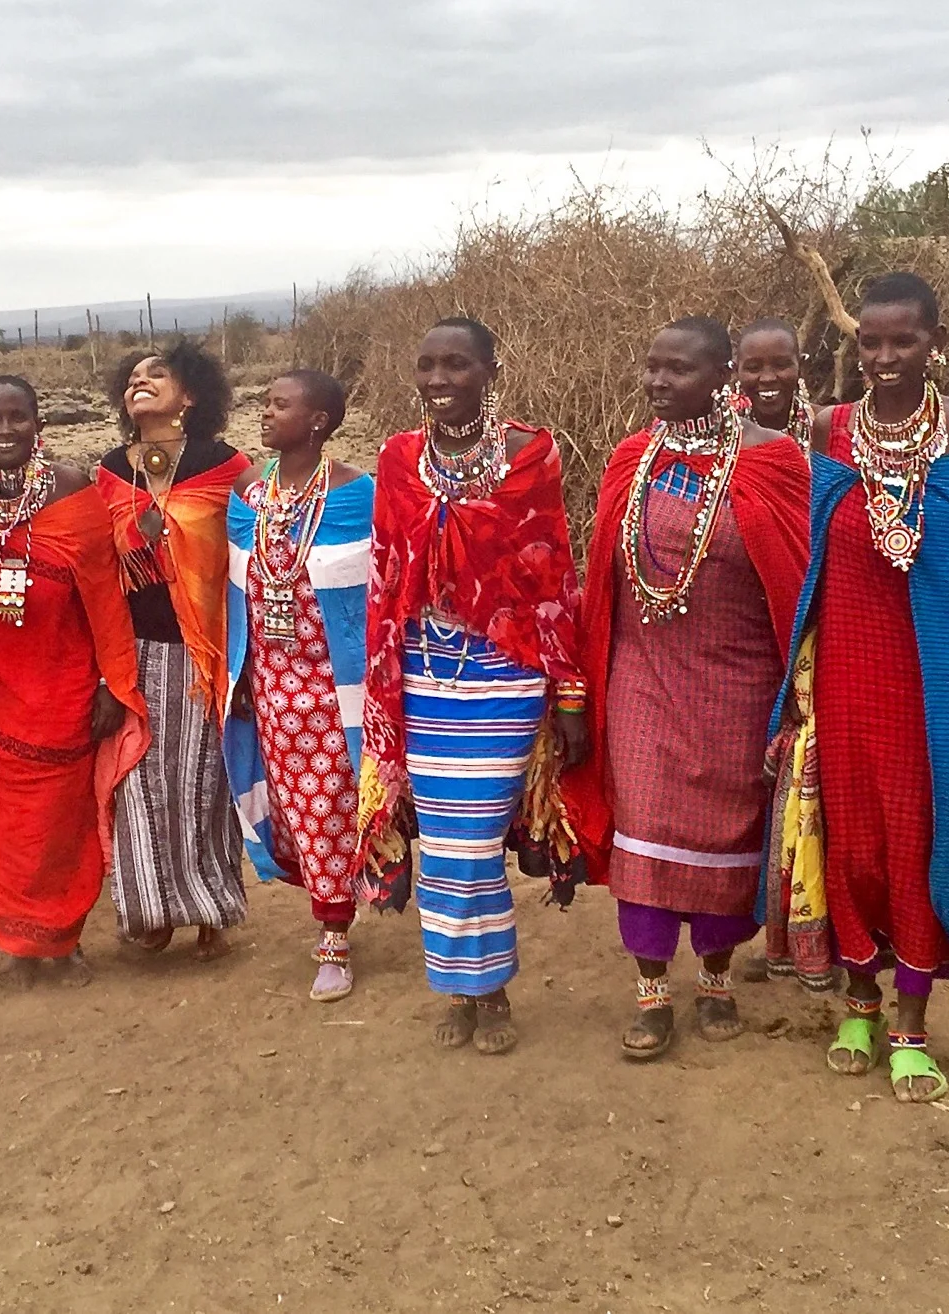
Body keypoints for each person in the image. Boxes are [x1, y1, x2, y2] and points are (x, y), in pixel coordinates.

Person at [774, 271, 949, 1103]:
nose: (884, 358)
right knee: (852, 845)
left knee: (918, 842)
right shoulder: (827, 431)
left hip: (932, 685)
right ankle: (857, 1000)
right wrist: (800, 689)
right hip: (846, 679)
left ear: (934, 341)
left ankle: (911, 1022)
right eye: (869, 343)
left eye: (902, 341)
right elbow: (817, 565)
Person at [563, 320, 809, 1059]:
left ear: (722, 375)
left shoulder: (774, 462)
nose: (659, 382)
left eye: (679, 370)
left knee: (725, 830)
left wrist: (800, 692)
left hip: (737, 679)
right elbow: (599, 574)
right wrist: (577, 688)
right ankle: (651, 991)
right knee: (644, 824)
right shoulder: (632, 459)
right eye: (652, 368)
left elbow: (798, 582)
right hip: (642, 675)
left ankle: (715, 974)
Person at [356, 316, 588, 1056]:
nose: (438, 381)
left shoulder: (532, 454)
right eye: (426, 366)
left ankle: (482, 983)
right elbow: (387, 575)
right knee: (451, 841)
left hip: (505, 672)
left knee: (476, 839)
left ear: (491, 370)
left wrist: (569, 689)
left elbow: (552, 575)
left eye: (456, 365)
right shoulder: (398, 459)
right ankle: (472, 990)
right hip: (423, 670)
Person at [0, 376, 150, 987]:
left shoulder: (72, 491)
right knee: (2, 831)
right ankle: (17, 945)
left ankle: (63, 942)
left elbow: (103, 595)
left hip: (63, 689)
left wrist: (107, 683)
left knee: (58, 829)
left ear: (38, 423)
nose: (5, 430)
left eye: (19, 417)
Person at [95, 342, 252, 960]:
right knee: (136, 784)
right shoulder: (111, 469)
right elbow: (98, 567)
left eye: (156, 375)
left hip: (204, 652)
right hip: (133, 649)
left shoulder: (222, 465)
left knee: (201, 783)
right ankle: (151, 910)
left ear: (190, 396)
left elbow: (273, 523)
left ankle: (211, 907)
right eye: (132, 378)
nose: (140, 382)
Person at [223, 371, 373, 1001]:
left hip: (340, 687)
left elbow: (376, 591)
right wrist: (242, 676)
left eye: (279, 405)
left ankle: (340, 925)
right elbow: (236, 592)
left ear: (317, 420)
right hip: (273, 684)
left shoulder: (356, 495)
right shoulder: (247, 495)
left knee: (342, 805)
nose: (265, 413)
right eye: (264, 403)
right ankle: (334, 920)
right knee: (303, 811)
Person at [734, 319, 814, 441]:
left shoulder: (824, 428)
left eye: (781, 365)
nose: (768, 378)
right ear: (736, 371)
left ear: (800, 366)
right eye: (753, 368)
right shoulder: (724, 436)